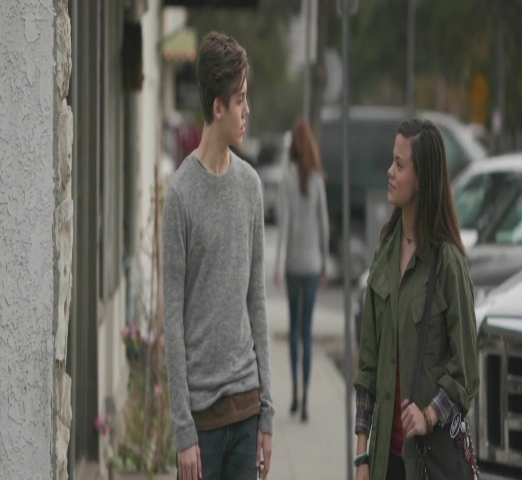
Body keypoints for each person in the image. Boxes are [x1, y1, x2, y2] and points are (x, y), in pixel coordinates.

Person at [162, 31, 274, 480]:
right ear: (218, 107)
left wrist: (267, 414)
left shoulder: (251, 187)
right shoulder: (180, 196)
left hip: (247, 411)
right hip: (201, 426)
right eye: (240, 99)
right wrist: (182, 430)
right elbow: (172, 320)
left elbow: (257, 301)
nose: (247, 110)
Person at [352, 119, 480, 480]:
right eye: (392, 162)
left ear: (422, 179)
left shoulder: (448, 262)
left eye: (400, 164)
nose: (390, 172)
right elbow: (368, 368)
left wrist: (429, 415)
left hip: (428, 463)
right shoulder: (385, 252)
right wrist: (362, 456)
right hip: (385, 462)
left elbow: (466, 371)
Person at [273, 117, 329, 423]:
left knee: (294, 328)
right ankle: (306, 399)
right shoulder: (318, 180)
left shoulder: (287, 178)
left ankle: (294, 391)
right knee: (307, 330)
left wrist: (278, 265)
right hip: (313, 264)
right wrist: (325, 262)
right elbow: (324, 224)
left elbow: (283, 225)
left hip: (294, 265)